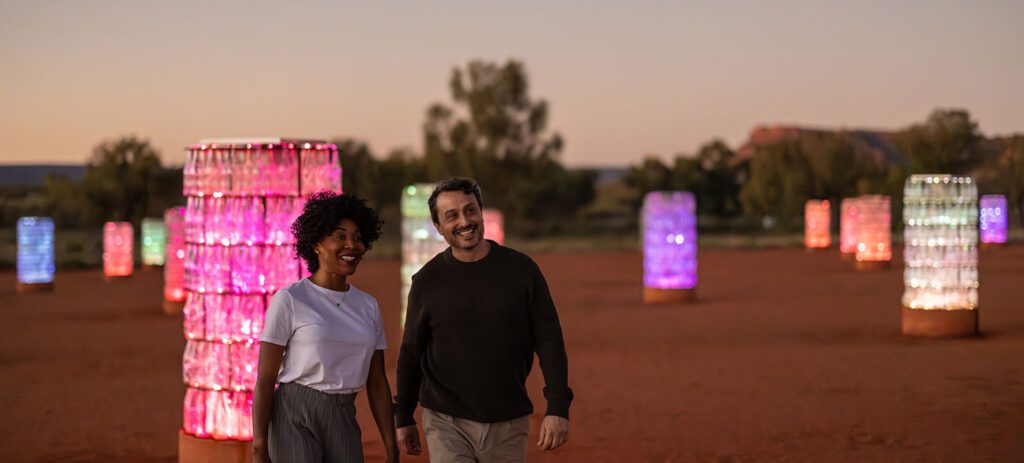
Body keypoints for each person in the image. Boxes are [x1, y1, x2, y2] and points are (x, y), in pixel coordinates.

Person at [394, 177, 573, 462]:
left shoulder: (522, 271)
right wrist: (403, 416)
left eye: (470, 210)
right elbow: (411, 353)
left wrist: (558, 407)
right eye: (452, 215)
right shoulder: (427, 282)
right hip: (445, 421)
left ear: (481, 211)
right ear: (438, 227)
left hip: (508, 420)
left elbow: (549, 340)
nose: (465, 221)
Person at [252, 191, 399, 463]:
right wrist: (259, 447)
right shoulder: (291, 300)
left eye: (357, 237)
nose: (351, 245)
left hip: (343, 415)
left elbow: (377, 382)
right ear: (317, 243)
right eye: (340, 236)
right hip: (294, 414)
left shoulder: (368, 306)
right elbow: (265, 378)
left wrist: (392, 448)